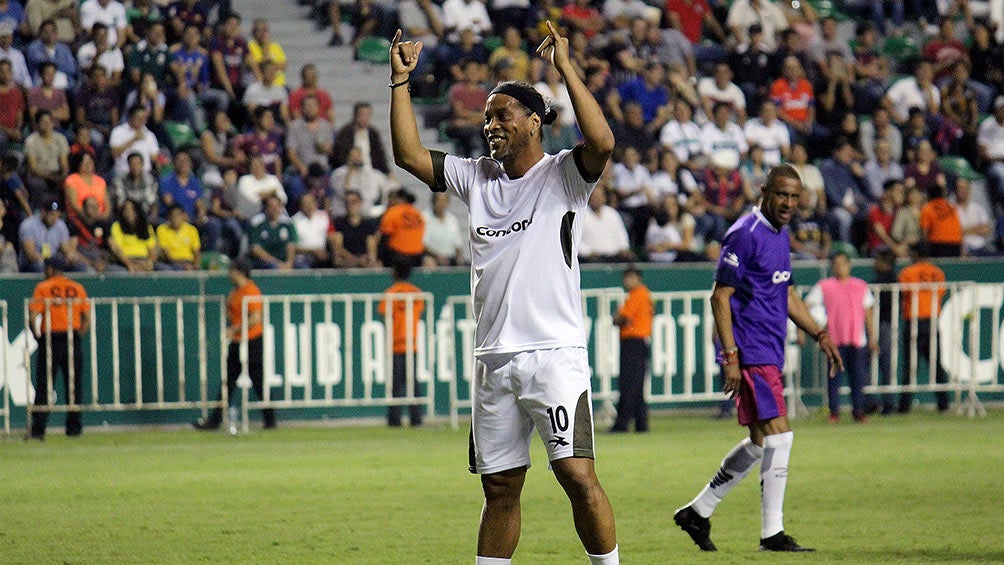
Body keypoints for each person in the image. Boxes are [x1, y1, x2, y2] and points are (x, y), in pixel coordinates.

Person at [389, 22, 620, 565]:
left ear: (534, 122)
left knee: (577, 476)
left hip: (553, 354)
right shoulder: (477, 178)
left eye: (501, 115)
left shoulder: (564, 175)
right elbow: (408, 156)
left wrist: (565, 67)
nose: (490, 124)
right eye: (487, 116)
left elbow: (604, 141)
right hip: (493, 360)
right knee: (499, 491)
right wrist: (399, 82)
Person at [673, 165, 843, 553]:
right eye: (782, 194)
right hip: (751, 352)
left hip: (769, 350)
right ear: (765, 191)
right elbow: (719, 297)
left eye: (794, 197)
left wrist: (819, 332)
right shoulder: (744, 234)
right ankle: (772, 533)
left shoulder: (781, 234)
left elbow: (787, 295)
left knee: (760, 441)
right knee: (780, 436)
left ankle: (699, 511)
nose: (788, 203)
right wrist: (730, 356)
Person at [193, 259, 277, 431]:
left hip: (251, 341)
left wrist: (234, 329)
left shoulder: (251, 290)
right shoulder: (236, 292)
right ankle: (215, 420)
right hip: (238, 341)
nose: (229, 274)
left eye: (231, 271)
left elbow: (255, 318)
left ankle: (270, 420)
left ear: (239, 272)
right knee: (229, 382)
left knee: (258, 382)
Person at [805, 252, 878, 423]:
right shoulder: (824, 286)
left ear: (849, 265)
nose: (840, 267)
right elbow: (807, 304)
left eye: (843, 264)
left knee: (858, 377)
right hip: (834, 340)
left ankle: (858, 411)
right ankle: (834, 412)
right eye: (836, 264)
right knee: (833, 378)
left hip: (856, 338)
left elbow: (868, 312)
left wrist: (872, 337)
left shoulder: (860, 286)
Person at [28, 255, 90, 439]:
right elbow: (86, 317)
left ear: (50, 269)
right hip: (72, 337)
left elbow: (33, 315)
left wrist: (37, 335)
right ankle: (74, 428)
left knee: (44, 386)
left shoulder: (43, 287)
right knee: (74, 386)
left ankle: (38, 430)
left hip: (51, 338)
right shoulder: (77, 288)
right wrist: (79, 335)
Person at [897, 242, 948, 413]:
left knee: (911, 366)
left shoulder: (907, 273)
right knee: (936, 364)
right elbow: (941, 292)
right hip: (932, 320)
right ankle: (944, 404)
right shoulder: (938, 273)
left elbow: (903, 293)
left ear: (915, 254)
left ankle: (905, 407)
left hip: (914, 320)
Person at [378, 258, 426, 427]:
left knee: (396, 385)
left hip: (395, 344)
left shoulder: (390, 294)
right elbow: (420, 310)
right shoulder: (416, 294)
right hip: (411, 343)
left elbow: (383, 312)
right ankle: (416, 418)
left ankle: (394, 419)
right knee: (413, 383)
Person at [610, 266, 652, 433]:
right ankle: (641, 424)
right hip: (639, 342)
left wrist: (618, 318)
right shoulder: (642, 294)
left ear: (637, 278)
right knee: (637, 385)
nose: (626, 281)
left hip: (633, 342)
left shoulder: (638, 295)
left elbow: (620, 318)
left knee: (628, 384)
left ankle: (622, 424)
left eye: (629, 277)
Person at [871, 248, 897, 415]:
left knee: (872, 363)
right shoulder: (896, 280)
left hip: (880, 325)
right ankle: (887, 403)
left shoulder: (880, 282)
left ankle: (873, 402)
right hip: (888, 325)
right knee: (886, 365)